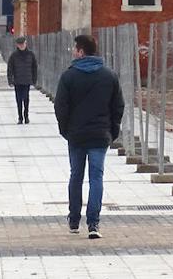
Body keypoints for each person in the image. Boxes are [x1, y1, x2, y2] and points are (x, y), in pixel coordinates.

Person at [53, 34, 124, 238]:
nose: (73, 52)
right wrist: (112, 130)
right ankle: (93, 224)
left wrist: (65, 129)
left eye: (75, 49)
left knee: (76, 176)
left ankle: (74, 220)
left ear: (81, 51)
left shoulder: (69, 76)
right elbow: (118, 105)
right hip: (100, 135)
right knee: (96, 177)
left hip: (76, 135)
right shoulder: (109, 75)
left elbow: (60, 106)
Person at [6, 36, 37, 124]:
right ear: (17, 45)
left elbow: (34, 67)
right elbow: (10, 69)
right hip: (17, 81)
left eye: (23, 44)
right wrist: (10, 80)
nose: (21, 46)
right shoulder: (14, 55)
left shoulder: (31, 54)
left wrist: (34, 79)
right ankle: (20, 117)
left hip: (27, 80)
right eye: (20, 44)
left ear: (25, 43)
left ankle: (26, 116)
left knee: (26, 98)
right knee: (18, 99)